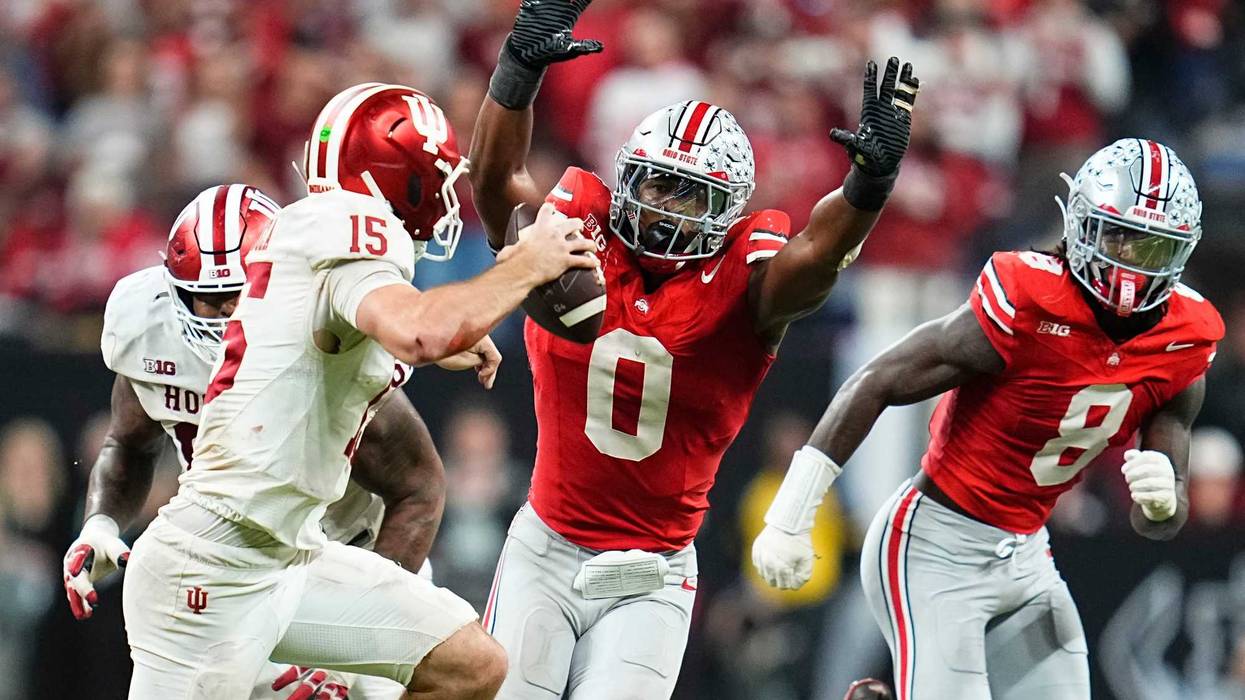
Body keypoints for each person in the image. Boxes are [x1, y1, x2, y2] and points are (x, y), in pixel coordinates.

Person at [469, 2, 920, 696]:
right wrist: (517, 70)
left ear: (730, 206)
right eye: (656, 184)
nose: (665, 207)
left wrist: (867, 186)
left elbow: (815, 260)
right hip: (545, 549)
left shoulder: (745, 282)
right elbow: (495, 184)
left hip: (649, 575)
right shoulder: (575, 233)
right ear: (627, 178)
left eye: (691, 196)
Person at [116, 82, 599, 699]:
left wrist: (427, 337)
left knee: (470, 665)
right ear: (400, 177)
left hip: (290, 556)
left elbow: (331, 336)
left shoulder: (318, 236)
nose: (448, 199)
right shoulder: (350, 225)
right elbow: (420, 331)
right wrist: (526, 264)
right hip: (212, 564)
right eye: (438, 179)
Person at [752, 139, 1223, 700]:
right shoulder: (1030, 297)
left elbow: (1160, 524)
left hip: (1025, 557)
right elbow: (876, 381)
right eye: (1119, 235)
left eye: (1149, 249)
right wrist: (790, 514)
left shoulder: (1187, 337)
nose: (1127, 263)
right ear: (1080, 223)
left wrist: (1163, 499)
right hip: (932, 546)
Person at [60, 183, 453, 698]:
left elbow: (419, 489)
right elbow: (129, 443)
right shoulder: (148, 328)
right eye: (208, 299)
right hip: (234, 570)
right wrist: (101, 523)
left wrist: (353, 637)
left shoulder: (324, 334)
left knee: (462, 669)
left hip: (351, 554)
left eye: (237, 297)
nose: (224, 316)